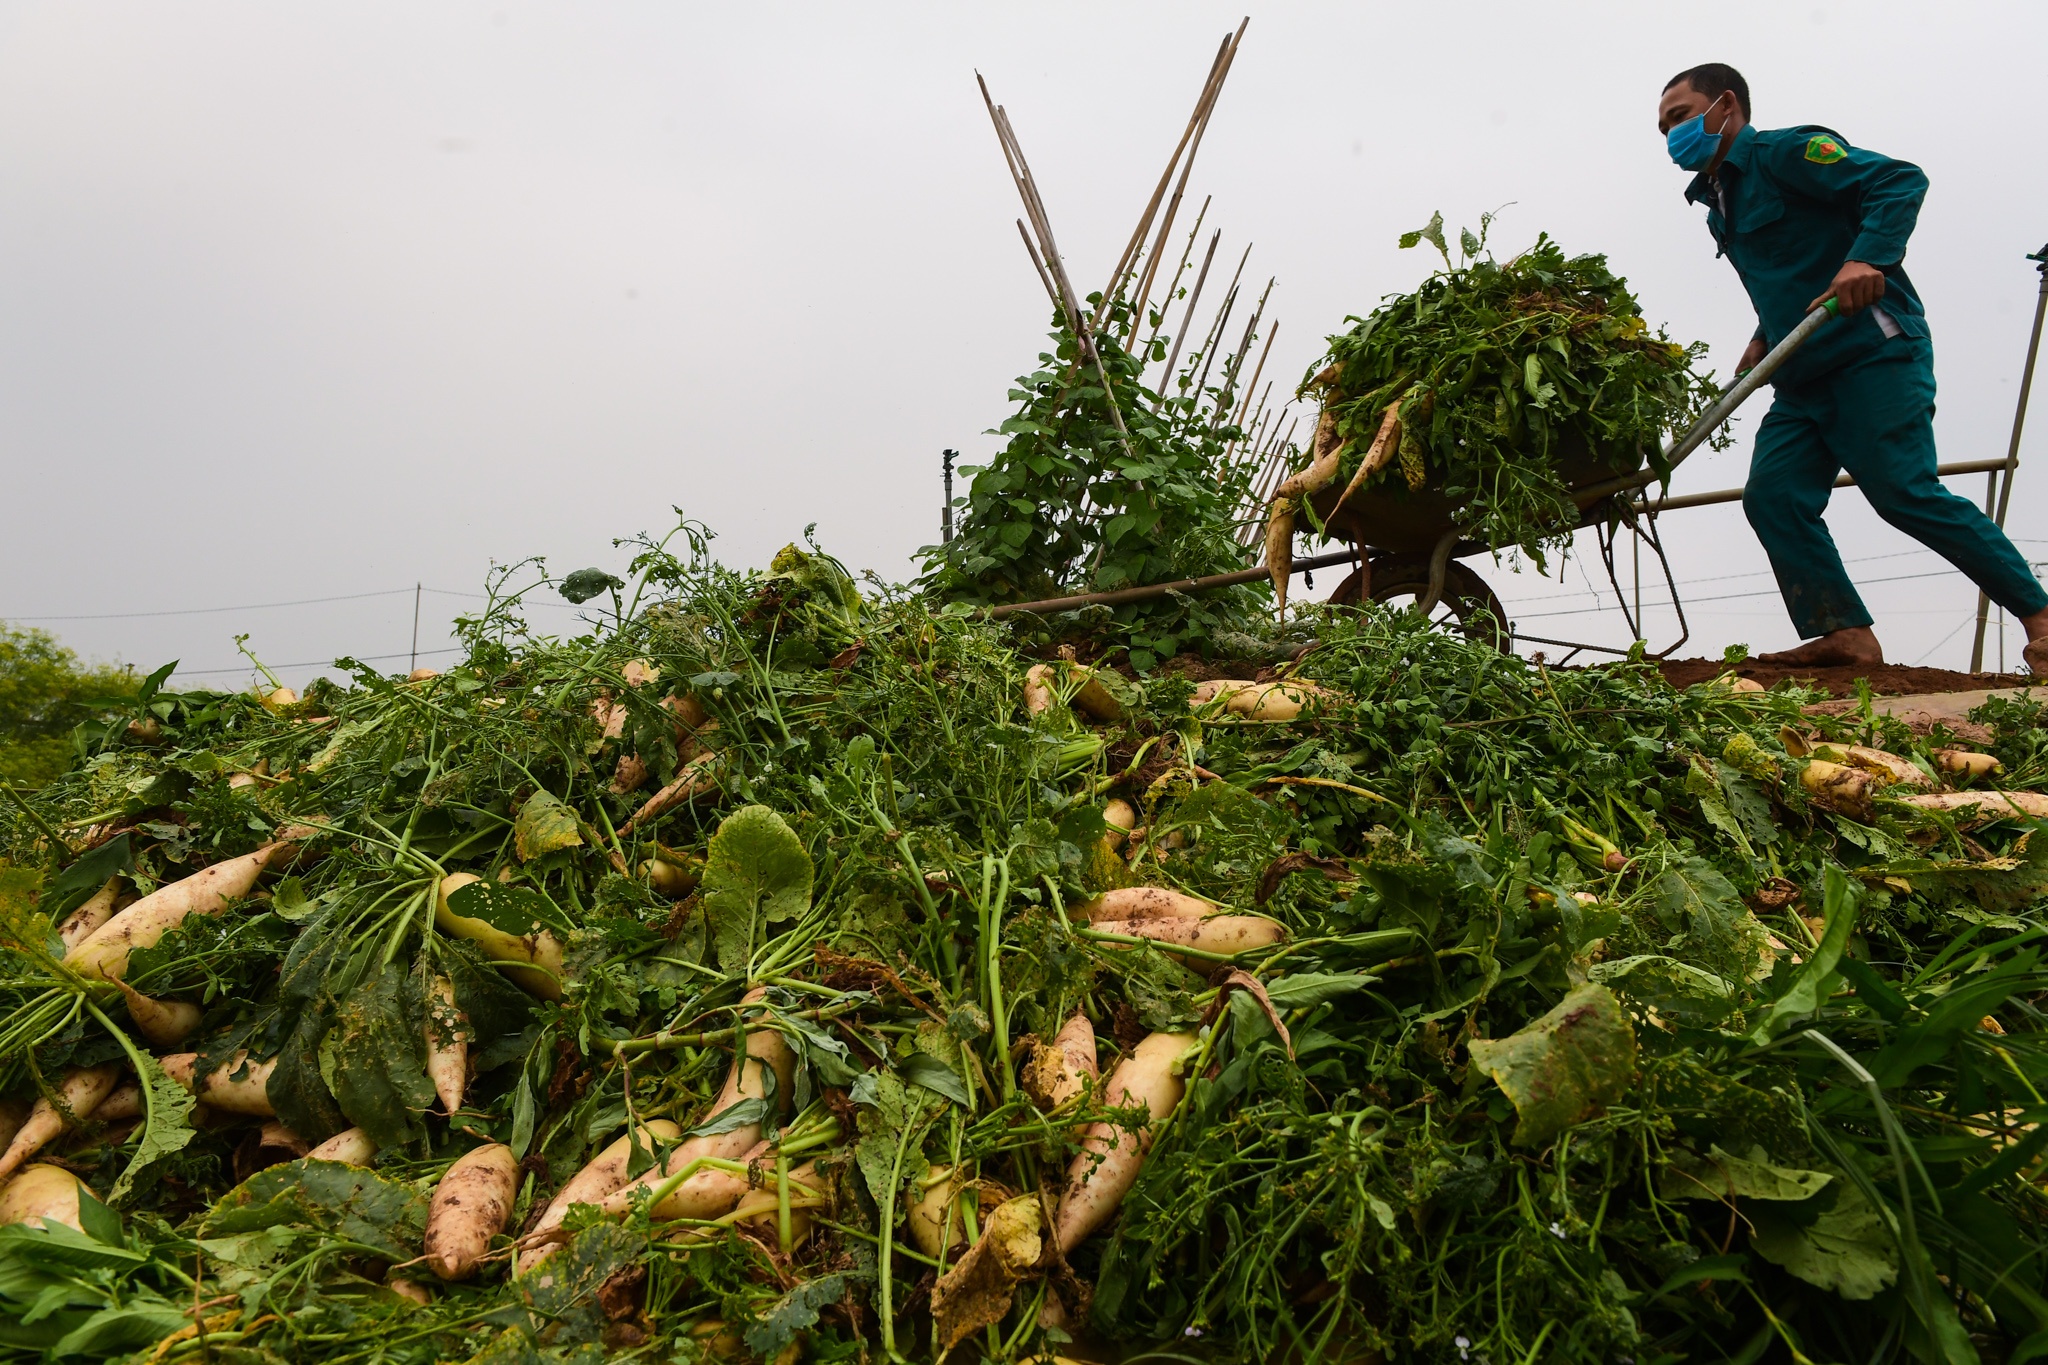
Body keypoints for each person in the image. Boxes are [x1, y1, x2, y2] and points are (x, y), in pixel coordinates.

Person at [1657, 63, 2048, 672]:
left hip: (1871, 353)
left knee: (1902, 491)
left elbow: (1898, 180)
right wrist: (1765, 334)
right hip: (1801, 376)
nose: (1671, 136)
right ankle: (1845, 634)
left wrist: (1868, 258)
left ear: (1725, 106)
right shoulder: (1718, 206)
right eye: (1663, 129)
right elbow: (1791, 271)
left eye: (1680, 117)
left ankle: (2041, 619)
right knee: (1774, 495)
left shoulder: (1786, 152)